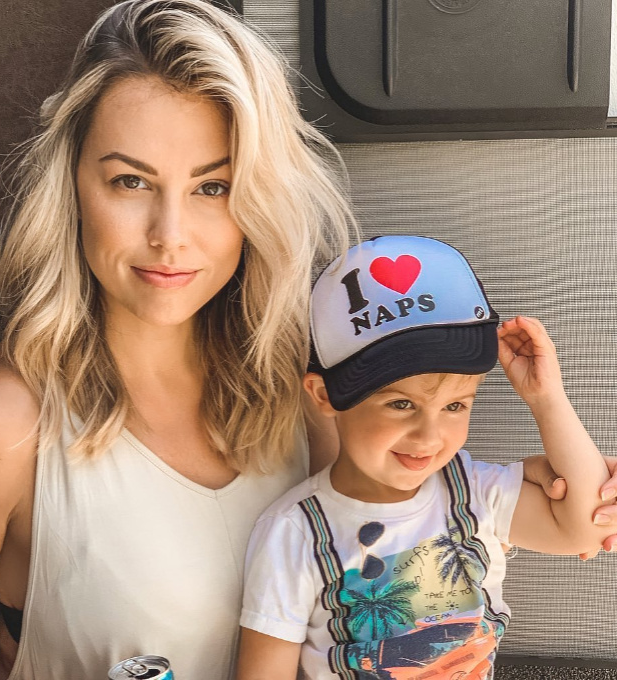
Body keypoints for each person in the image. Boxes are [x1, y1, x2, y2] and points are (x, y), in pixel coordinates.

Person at [0, 3, 616, 680]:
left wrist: (522, 481)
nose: (169, 234)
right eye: (131, 181)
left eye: (212, 186)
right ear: (73, 185)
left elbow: (388, 515)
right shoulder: (3, 418)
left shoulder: (300, 377)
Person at [236, 235, 615, 680]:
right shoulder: (294, 532)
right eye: (400, 404)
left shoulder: (474, 491)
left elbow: (589, 527)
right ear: (325, 396)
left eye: (455, 406)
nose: (429, 436)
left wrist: (546, 398)